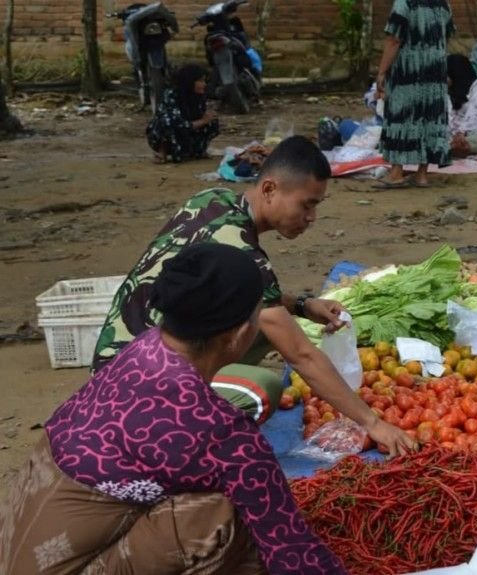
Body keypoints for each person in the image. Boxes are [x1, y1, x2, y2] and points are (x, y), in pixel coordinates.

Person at [0, 244, 347, 574]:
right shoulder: (224, 434)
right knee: (228, 516)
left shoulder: (141, 349)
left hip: (14, 545)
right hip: (66, 565)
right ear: (240, 334)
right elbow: (293, 551)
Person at [92, 135, 416, 456]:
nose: (311, 218)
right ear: (270, 189)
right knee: (263, 389)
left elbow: (256, 296)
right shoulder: (246, 254)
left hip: (122, 357)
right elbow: (301, 355)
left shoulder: (211, 200)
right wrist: (372, 423)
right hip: (133, 391)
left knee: (261, 321)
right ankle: (179, 447)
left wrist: (303, 305)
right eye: (307, 204)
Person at [374, 0, 455, 189]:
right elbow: (446, 35)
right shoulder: (443, 4)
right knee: (429, 116)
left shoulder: (404, 3)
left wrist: (382, 72)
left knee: (402, 117)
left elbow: (394, 39)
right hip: (435, 71)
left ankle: (396, 173)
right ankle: (422, 175)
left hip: (408, 72)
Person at [146, 63, 219, 163]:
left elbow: (199, 118)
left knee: (212, 120)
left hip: (187, 132)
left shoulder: (198, 97)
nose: (204, 84)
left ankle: (198, 151)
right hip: (172, 132)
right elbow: (177, 123)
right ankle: (162, 152)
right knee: (167, 122)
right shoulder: (172, 95)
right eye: (200, 81)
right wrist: (202, 121)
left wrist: (205, 119)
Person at [446, 53, 477, 158]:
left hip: (470, 134)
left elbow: (474, 113)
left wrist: (460, 133)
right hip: (449, 135)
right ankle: (454, 149)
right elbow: (446, 114)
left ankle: (457, 149)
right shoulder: (446, 89)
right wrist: (452, 134)